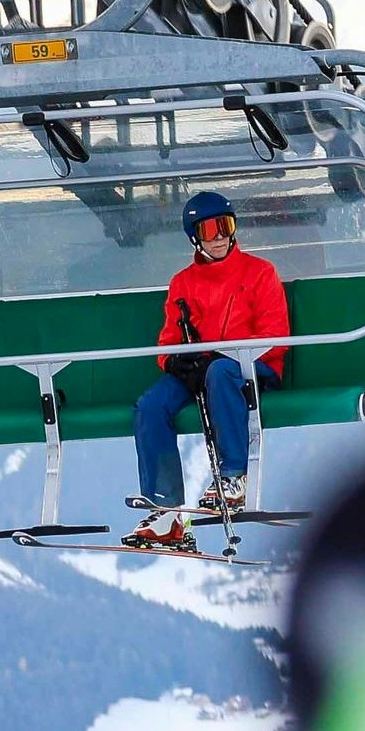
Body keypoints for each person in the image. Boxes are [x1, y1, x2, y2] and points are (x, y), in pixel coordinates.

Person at [125, 189, 290, 553]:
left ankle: (233, 476)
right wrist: (176, 362)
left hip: (251, 366)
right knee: (151, 405)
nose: (217, 237)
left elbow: (276, 335)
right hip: (202, 372)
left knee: (219, 373)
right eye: (208, 230)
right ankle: (166, 510)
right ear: (194, 238)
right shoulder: (184, 283)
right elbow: (169, 340)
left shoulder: (260, 273)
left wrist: (221, 357)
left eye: (224, 226)